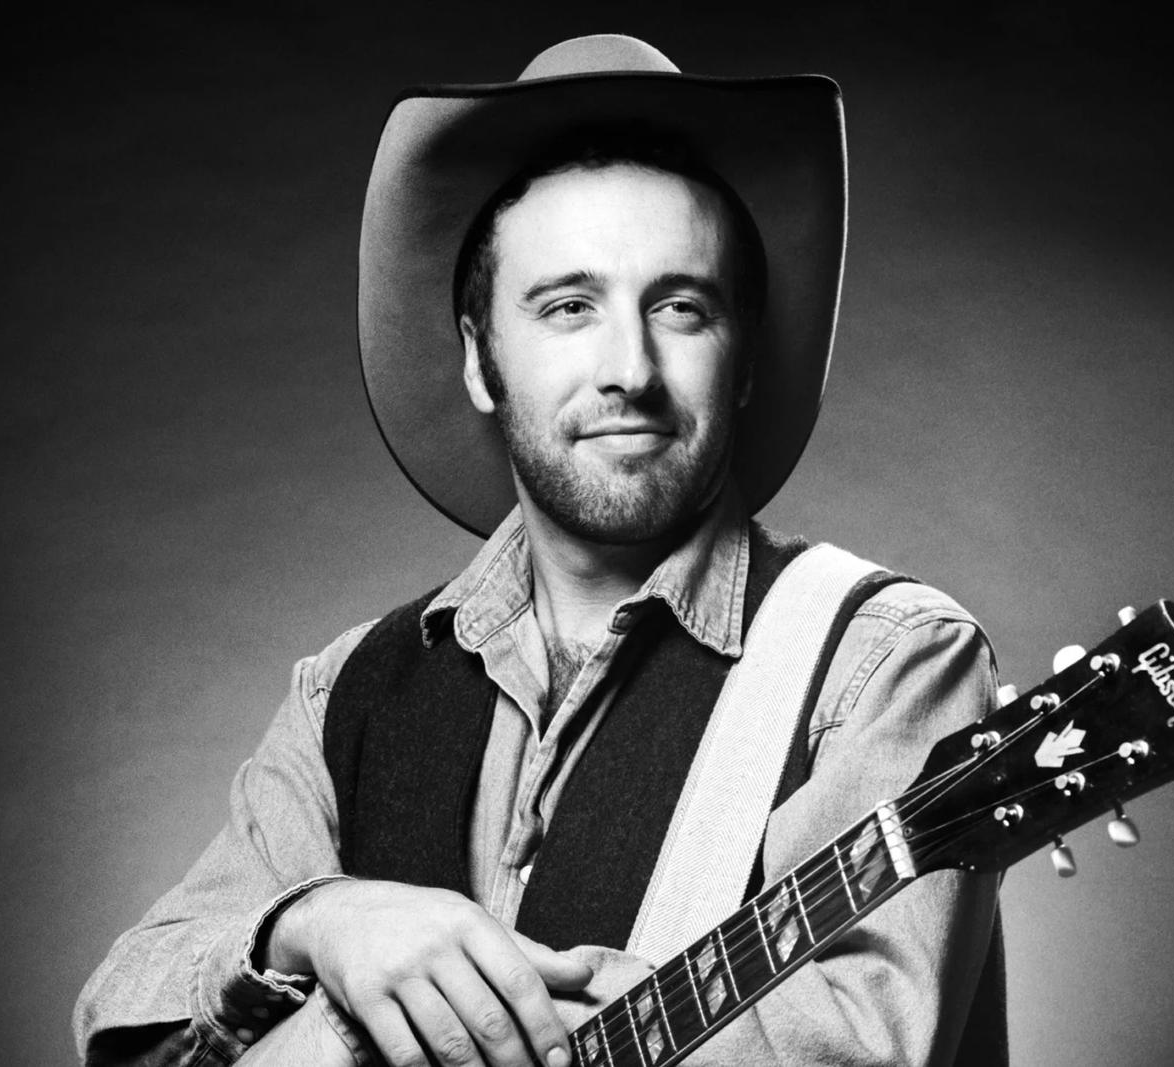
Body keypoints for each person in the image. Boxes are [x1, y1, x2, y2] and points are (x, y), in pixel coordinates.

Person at [74, 34, 1006, 1067]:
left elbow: (871, 1044)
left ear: (740, 359)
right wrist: (321, 920)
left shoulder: (885, 659)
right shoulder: (347, 691)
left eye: (681, 307)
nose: (629, 368)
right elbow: (129, 1017)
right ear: (480, 360)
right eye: (569, 307)